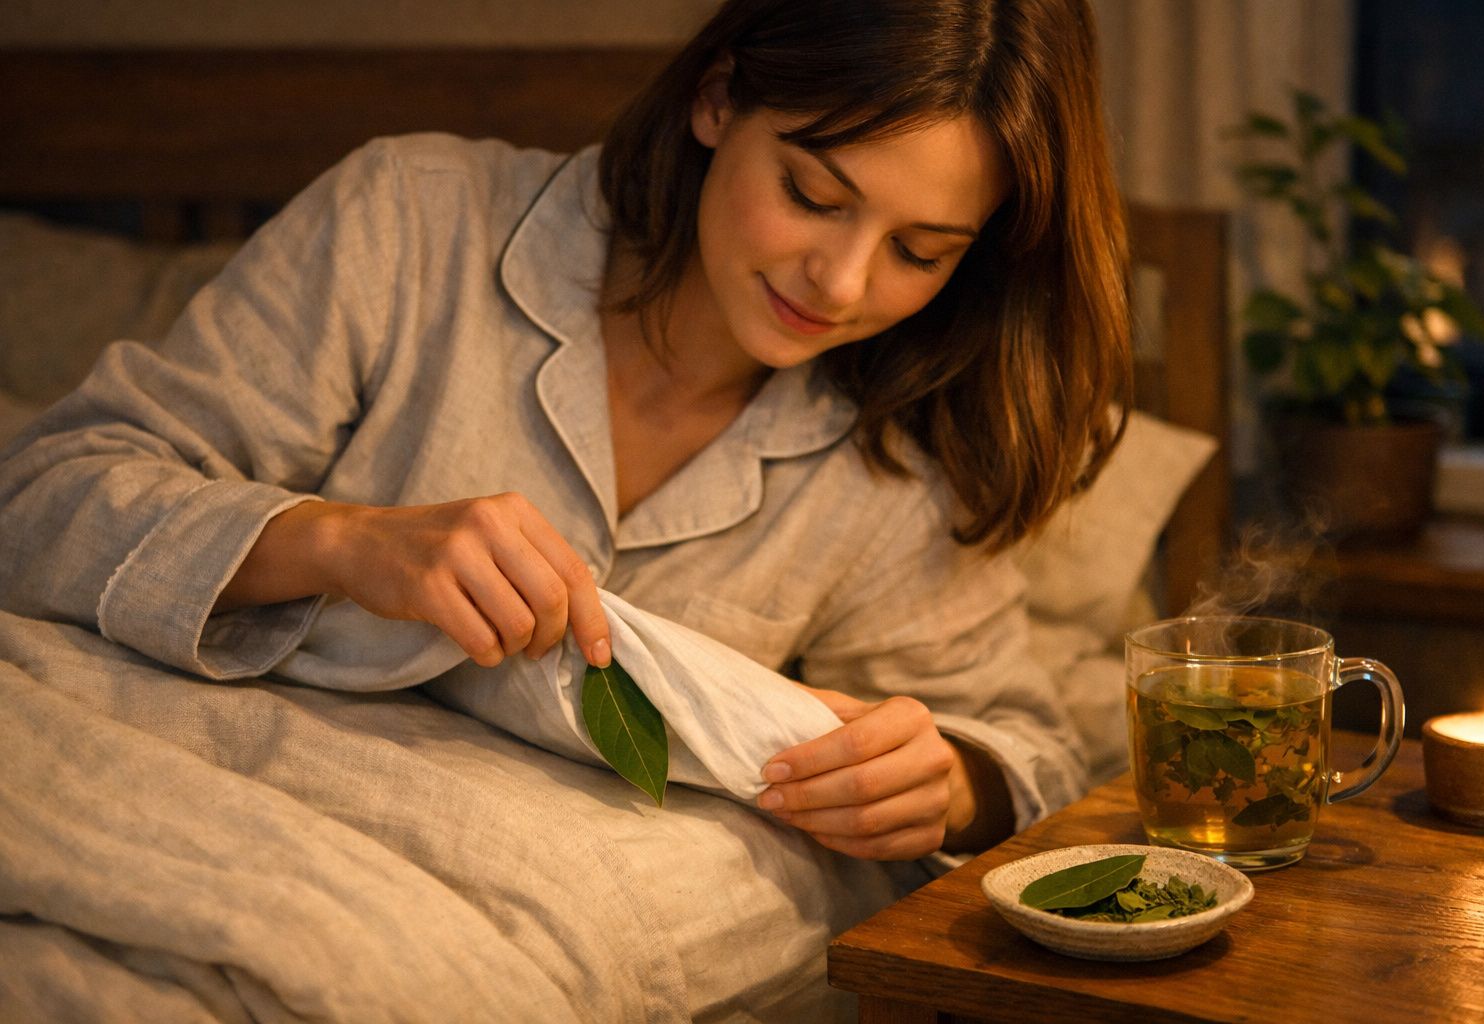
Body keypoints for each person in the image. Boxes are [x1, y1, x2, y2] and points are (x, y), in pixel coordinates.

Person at [0, 0, 1129, 863]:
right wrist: (342, 542)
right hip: (172, 805)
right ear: (718, 101)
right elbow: (41, 498)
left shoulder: (898, 459)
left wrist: (948, 783)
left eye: (920, 251)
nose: (839, 280)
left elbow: (1022, 740)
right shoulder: (409, 221)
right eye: (813, 194)